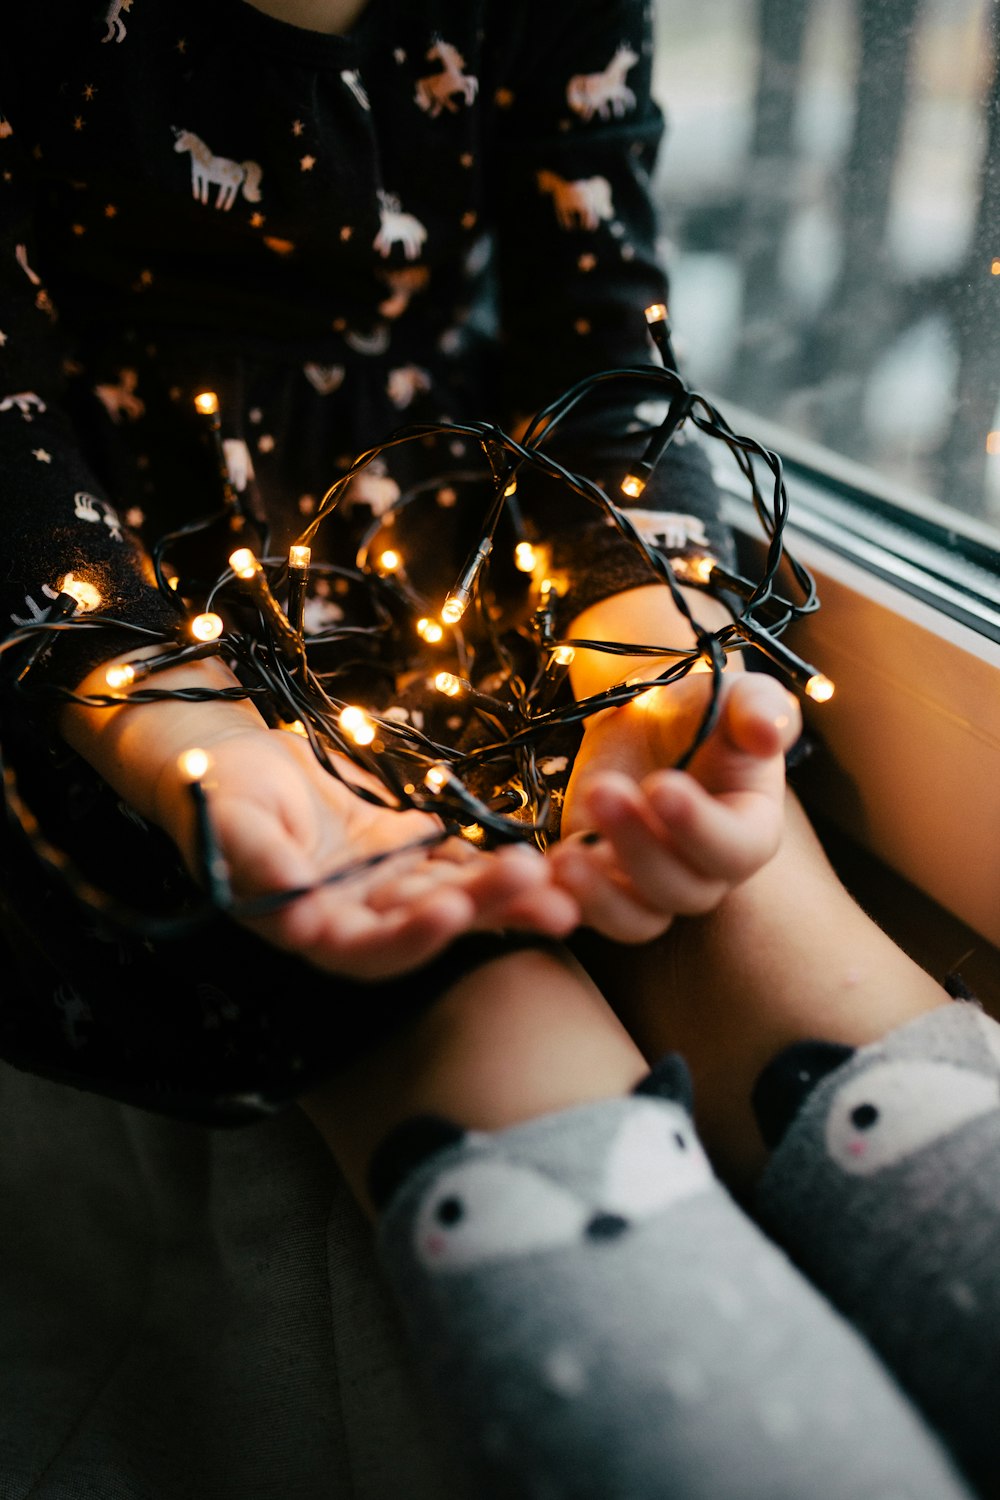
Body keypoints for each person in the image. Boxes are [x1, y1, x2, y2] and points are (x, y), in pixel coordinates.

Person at [0, 3, 995, 1496]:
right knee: (475, 1020)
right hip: (152, 662)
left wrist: (654, 675)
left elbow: (599, 351)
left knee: (775, 929)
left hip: (470, 569)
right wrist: (186, 736)